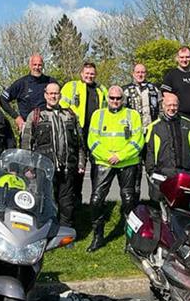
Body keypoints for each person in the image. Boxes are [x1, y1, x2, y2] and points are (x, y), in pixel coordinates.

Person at [86, 85, 144, 251]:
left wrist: (120, 156)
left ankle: (130, 239)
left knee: (128, 200)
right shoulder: (99, 115)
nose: (115, 101)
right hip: (104, 162)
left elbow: (137, 140)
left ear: (123, 99)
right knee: (96, 200)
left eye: (118, 98)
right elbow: (92, 140)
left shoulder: (132, 115)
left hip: (127, 162)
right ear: (107, 99)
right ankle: (98, 237)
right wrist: (107, 156)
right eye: (112, 98)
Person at [21, 83, 85, 228]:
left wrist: (81, 163)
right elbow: (26, 143)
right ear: (45, 95)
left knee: (67, 203)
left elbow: (80, 143)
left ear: (60, 96)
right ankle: (46, 231)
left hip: (68, 167)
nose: (53, 96)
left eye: (56, 93)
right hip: (44, 169)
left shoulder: (70, 114)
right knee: (45, 201)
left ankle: (65, 232)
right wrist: (28, 167)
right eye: (50, 93)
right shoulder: (36, 115)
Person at [60, 62, 108, 205]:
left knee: (97, 167)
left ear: (96, 74)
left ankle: (96, 200)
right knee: (76, 168)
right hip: (76, 133)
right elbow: (62, 107)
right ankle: (75, 199)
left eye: (92, 73)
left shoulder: (101, 90)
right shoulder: (71, 86)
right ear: (81, 74)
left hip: (95, 134)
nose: (89, 76)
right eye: (87, 73)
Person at [143, 92, 190, 199]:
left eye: (174, 105)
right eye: (169, 105)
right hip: (162, 174)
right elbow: (149, 152)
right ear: (163, 106)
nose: (172, 108)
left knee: (184, 207)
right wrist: (151, 172)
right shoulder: (154, 127)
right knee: (161, 207)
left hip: (185, 173)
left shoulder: (188, 124)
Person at [122, 63, 160, 200]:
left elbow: (161, 110)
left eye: (143, 72)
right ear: (133, 73)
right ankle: (134, 203)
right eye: (137, 72)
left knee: (153, 169)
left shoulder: (154, 89)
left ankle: (154, 202)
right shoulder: (126, 90)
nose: (140, 74)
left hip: (151, 134)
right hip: (134, 136)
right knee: (135, 171)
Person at [0, 53, 57, 131]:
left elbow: (60, 99)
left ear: (43, 66)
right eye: (35, 65)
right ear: (30, 65)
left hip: (49, 126)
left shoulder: (51, 82)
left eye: (39, 65)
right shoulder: (21, 83)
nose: (37, 67)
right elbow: (2, 99)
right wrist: (17, 117)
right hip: (28, 127)